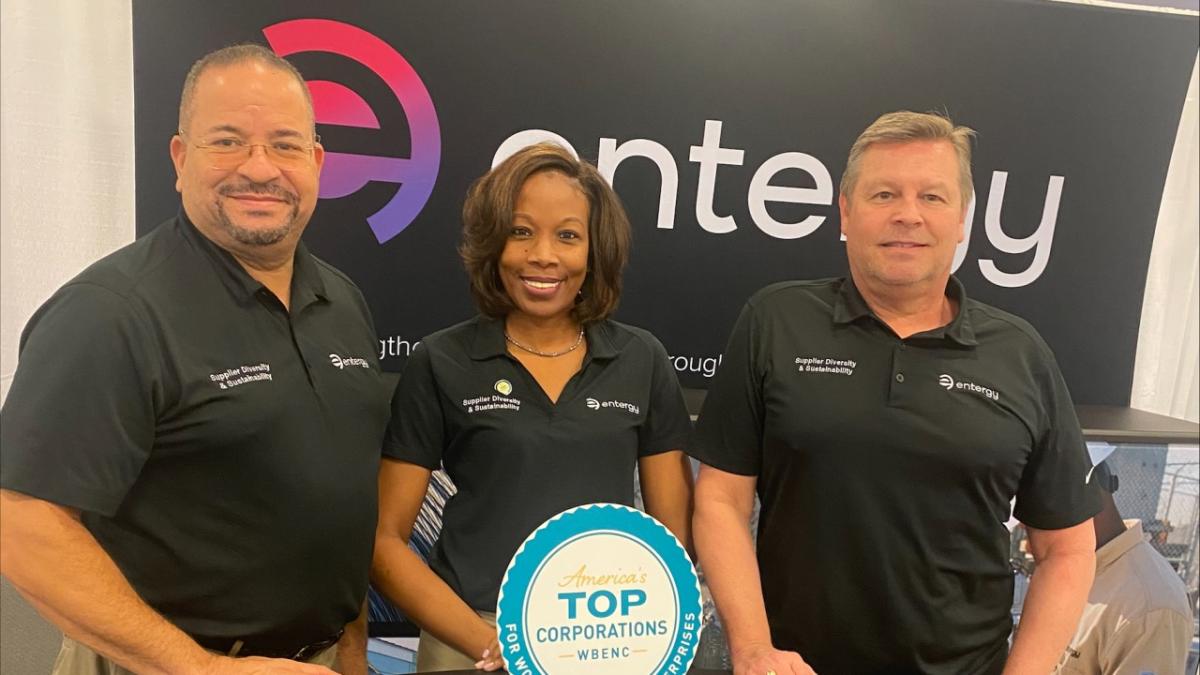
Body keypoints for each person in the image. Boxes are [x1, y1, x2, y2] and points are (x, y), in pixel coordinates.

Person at [0, 44, 390, 674]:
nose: (259, 168)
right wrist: (204, 670)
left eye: (286, 145)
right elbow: (23, 526)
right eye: (228, 141)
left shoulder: (341, 300)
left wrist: (349, 645)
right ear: (181, 158)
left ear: (317, 162)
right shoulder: (110, 313)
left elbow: (333, 503)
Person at [690, 111, 1101, 675]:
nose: (908, 214)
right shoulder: (774, 321)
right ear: (845, 211)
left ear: (961, 220)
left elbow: (1068, 549)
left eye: (932, 197)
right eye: (884, 194)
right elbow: (720, 500)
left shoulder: (1022, 355)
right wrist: (754, 648)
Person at [371, 142, 695, 672]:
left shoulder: (642, 359)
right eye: (521, 231)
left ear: (595, 252)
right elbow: (385, 543)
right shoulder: (441, 359)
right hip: (468, 639)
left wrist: (627, 636)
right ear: (493, 244)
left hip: (600, 643)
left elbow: (672, 544)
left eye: (568, 235)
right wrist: (488, 641)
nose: (543, 255)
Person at [1054, 452, 1192, 674]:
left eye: (1032, 516)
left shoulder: (1150, 606)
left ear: (1078, 497)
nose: (1026, 530)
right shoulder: (1072, 571)